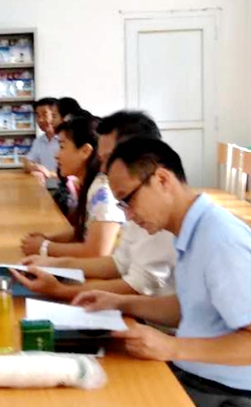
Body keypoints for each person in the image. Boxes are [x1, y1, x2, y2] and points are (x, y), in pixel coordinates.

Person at [74, 138, 251, 407]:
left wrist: (171, 347)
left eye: (128, 199)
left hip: (229, 394)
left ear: (162, 179)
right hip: (200, 377)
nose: (128, 215)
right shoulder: (189, 230)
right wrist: (119, 302)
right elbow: (191, 307)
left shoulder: (221, 240)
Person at [15, 111, 176, 300]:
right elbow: (118, 264)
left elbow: (137, 285)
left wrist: (59, 286)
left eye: (110, 159)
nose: (103, 168)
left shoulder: (151, 210)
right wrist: (52, 264)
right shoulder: (133, 203)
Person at [21, 115, 124, 258]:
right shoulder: (91, 185)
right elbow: (84, 230)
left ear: (85, 151)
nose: (57, 155)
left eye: (62, 147)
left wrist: (45, 247)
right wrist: (49, 239)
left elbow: (97, 252)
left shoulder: (102, 193)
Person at [22, 97, 60, 183]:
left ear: (55, 115)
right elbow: (27, 162)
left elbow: (74, 174)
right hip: (44, 187)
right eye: (38, 116)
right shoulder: (39, 141)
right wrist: (35, 167)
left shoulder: (67, 140)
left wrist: (49, 174)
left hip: (65, 189)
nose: (40, 120)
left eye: (44, 115)